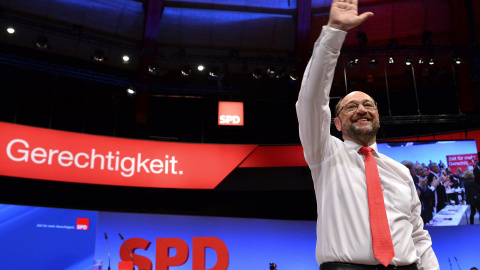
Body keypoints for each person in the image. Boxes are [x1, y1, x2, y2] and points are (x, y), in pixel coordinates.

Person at [295, 0, 439, 269]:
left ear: (378, 118)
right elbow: (311, 101)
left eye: (368, 105)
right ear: (336, 123)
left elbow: (419, 237)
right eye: (351, 106)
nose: (361, 109)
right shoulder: (325, 155)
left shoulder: (400, 172)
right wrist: (334, 31)